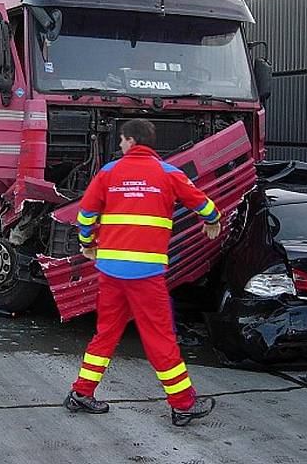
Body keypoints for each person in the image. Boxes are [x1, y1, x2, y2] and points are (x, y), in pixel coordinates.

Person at [64, 118, 222, 427]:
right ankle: (183, 404)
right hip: (145, 275)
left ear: (132, 141)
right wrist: (213, 220)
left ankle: (81, 393)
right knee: (160, 338)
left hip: (110, 271)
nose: (120, 146)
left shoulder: (108, 173)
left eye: (122, 141)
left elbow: (85, 213)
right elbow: (204, 205)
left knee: (106, 333)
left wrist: (87, 244)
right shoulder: (169, 174)